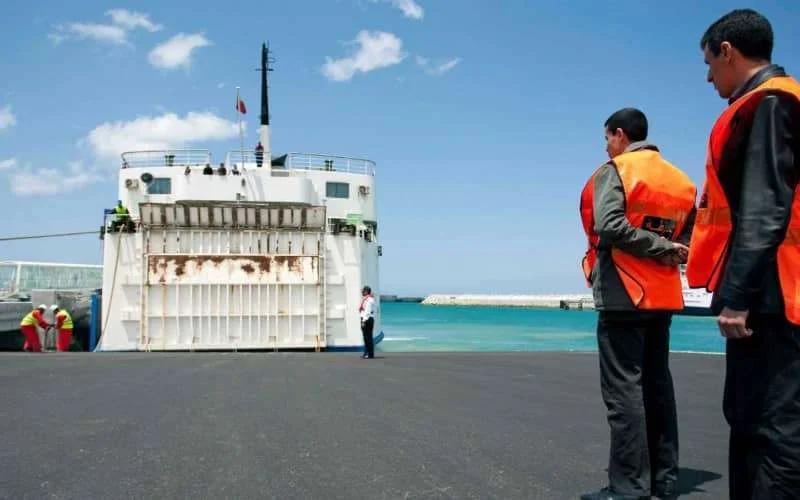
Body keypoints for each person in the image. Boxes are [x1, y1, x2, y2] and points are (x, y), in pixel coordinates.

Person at [686, 9, 800, 499]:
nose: (709, 76)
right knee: (754, 421)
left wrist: (737, 296)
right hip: (775, 289)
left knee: (770, 429)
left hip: (775, 294)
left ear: (727, 51)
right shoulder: (775, 102)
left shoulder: (768, 104)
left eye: (710, 63)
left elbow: (765, 205)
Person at [579, 108, 697, 500]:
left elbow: (608, 225)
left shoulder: (617, 170)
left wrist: (658, 247)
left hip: (623, 294)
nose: (606, 147)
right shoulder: (680, 181)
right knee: (657, 386)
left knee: (623, 392)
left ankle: (628, 486)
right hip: (662, 295)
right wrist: (668, 248)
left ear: (618, 134)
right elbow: (691, 235)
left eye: (607, 138)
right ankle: (664, 479)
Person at [359, 286, 376, 359]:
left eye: (363, 291)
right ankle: (366, 353)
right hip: (367, 318)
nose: (362, 292)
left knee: (368, 338)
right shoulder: (367, 299)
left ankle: (370, 354)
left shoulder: (369, 300)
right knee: (366, 338)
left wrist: (363, 321)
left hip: (367, 319)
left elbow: (367, 311)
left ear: (366, 291)